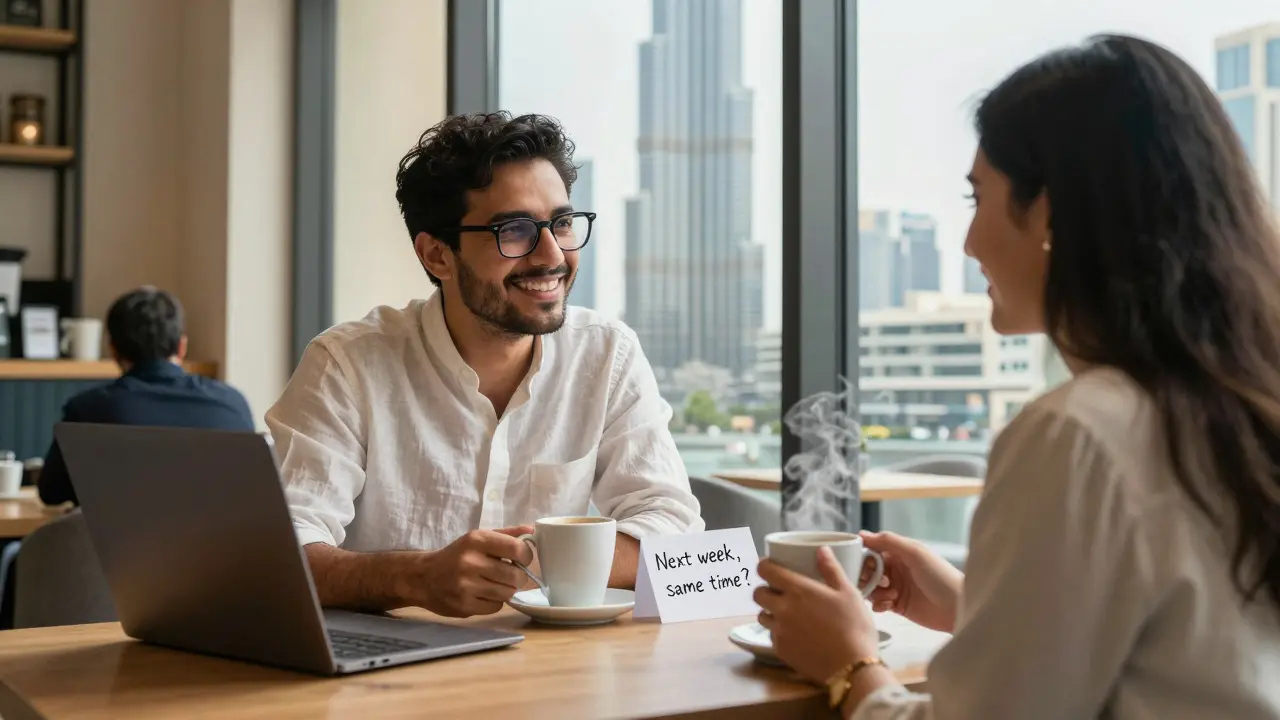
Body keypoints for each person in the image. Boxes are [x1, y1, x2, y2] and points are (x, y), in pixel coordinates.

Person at [755, 34, 1280, 719]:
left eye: (978, 198)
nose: (969, 242)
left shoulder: (1077, 433)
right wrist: (971, 605)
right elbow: (1180, 653)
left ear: (1052, 213)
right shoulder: (1236, 407)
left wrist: (850, 661)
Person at [266, 112, 702, 619]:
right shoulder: (347, 365)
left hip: (554, 668)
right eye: (513, 231)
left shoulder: (607, 353)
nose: (551, 255)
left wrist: (537, 563)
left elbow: (673, 524)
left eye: (561, 223)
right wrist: (415, 577)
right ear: (437, 256)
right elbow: (283, 549)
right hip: (385, 680)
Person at [38, 287, 256, 506]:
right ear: (182, 346)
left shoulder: (87, 410)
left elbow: (51, 492)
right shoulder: (232, 403)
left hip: (118, 540)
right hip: (222, 540)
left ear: (113, 350)